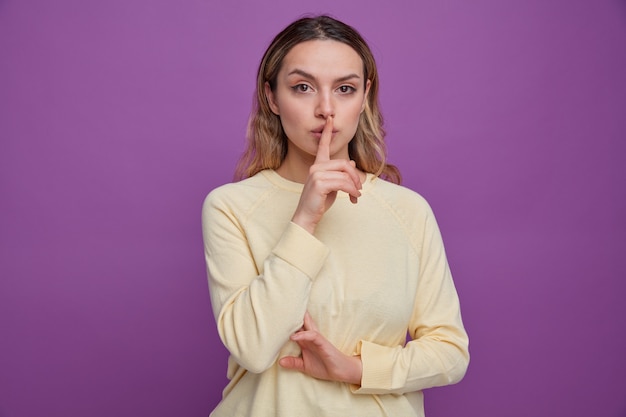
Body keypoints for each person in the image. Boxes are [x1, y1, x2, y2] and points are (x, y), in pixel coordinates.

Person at [201, 15, 469, 417]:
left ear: (365, 97)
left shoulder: (409, 210)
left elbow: (450, 352)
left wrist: (357, 369)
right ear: (272, 97)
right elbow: (254, 348)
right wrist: (304, 219)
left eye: (345, 89)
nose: (326, 109)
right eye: (303, 87)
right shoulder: (230, 207)